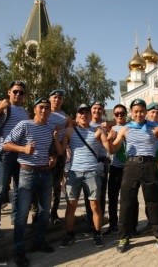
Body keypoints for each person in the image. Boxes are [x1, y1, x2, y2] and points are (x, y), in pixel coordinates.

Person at [3, 97, 62, 267]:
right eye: (41, 107)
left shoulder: (51, 129)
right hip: (27, 173)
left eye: (47, 108)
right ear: (35, 109)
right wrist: (23, 149)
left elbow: (53, 152)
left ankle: (39, 241)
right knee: (22, 214)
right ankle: (19, 250)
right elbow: (6, 144)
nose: (44, 111)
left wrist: (53, 159)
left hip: (45, 173)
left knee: (44, 212)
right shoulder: (24, 125)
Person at [112, 98, 158, 253]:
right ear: (131, 113)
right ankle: (124, 237)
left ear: (146, 112)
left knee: (154, 201)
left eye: (141, 111)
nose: (139, 114)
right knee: (126, 201)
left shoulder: (154, 127)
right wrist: (108, 139)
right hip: (131, 165)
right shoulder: (126, 128)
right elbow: (113, 148)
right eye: (136, 111)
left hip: (149, 165)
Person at [59, 104, 114, 249]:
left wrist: (109, 137)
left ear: (90, 116)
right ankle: (69, 235)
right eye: (81, 113)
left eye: (86, 113)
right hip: (74, 173)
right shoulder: (70, 131)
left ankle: (97, 234)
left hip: (92, 173)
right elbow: (60, 151)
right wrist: (54, 137)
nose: (84, 115)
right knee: (71, 206)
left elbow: (109, 149)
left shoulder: (97, 130)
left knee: (95, 205)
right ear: (76, 116)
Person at [0, 80, 29, 238]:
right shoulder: (2, 105)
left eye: (21, 92)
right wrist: (1, 108)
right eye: (15, 91)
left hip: (20, 154)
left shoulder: (24, 112)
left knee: (19, 190)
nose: (18, 94)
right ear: (9, 92)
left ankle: (16, 219)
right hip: (4, 153)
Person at [139, 102, 158, 234]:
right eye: (152, 112)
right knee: (149, 194)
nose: (155, 114)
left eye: (157, 113)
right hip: (147, 165)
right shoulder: (142, 127)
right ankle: (151, 221)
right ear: (147, 113)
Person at [46, 89, 73, 224]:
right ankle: (38, 214)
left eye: (60, 98)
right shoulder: (44, 112)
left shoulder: (65, 118)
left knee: (56, 185)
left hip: (59, 152)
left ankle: (54, 213)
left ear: (63, 101)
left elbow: (68, 136)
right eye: (54, 97)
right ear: (49, 98)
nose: (57, 99)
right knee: (41, 185)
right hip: (43, 154)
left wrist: (59, 153)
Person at [102, 104, 129, 236]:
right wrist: (109, 138)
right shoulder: (111, 129)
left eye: (122, 113)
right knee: (112, 198)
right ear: (113, 115)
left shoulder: (131, 128)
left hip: (129, 167)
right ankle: (113, 224)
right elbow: (109, 149)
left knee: (129, 198)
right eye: (117, 113)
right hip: (115, 167)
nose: (119, 116)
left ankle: (130, 225)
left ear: (126, 114)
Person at [84, 101, 110, 233]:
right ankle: (90, 224)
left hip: (102, 162)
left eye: (100, 109)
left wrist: (110, 124)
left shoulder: (106, 125)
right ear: (90, 110)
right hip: (87, 163)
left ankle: (99, 225)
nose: (97, 111)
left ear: (103, 111)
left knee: (100, 195)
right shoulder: (85, 124)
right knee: (89, 196)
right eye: (94, 108)